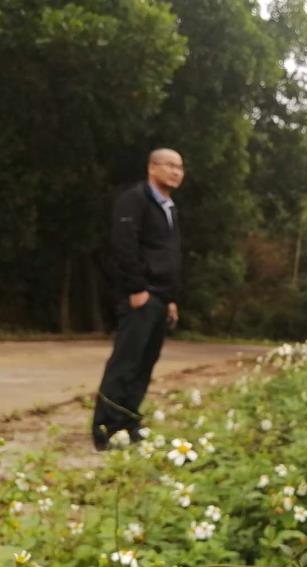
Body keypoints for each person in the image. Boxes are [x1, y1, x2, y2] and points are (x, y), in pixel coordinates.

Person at [92, 148, 184, 450]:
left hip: (159, 297)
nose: (176, 172)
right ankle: (105, 427)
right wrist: (136, 289)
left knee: (145, 364)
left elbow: (165, 255)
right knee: (126, 362)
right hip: (140, 296)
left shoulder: (168, 207)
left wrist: (170, 298)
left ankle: (128, 423)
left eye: (180, 167)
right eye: (169, 165)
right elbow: (124, 245)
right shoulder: (134, 200)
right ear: (152, 168)